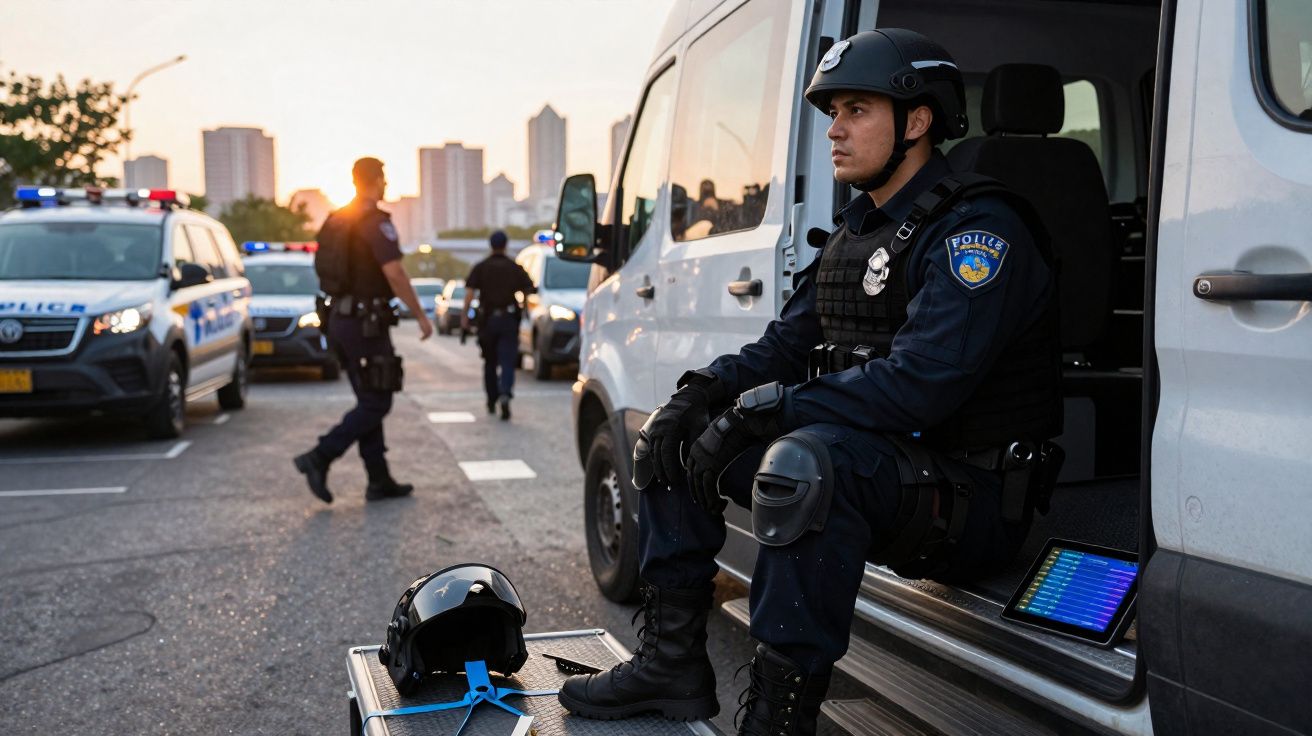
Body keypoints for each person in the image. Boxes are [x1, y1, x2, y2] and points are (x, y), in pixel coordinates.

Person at [558, 29, 1063, 736]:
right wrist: (702, 395)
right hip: (889, 476)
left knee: (804, 463)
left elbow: (921, 385)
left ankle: (779, 722)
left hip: (969, 497)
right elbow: (781, 348)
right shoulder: (857, 232)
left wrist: (767, 414)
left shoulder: (978, 229)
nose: (834, 129)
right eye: (833, 112)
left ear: (917, 121)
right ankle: (670, 664)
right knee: (674, 435)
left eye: (857, 110)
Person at [293, 157, 434, 504]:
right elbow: (394, 273)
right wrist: (420, 315)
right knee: (377, 401)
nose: (386, 185)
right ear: (375, 180)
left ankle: (378, 479)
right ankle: (319, 457)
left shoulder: (337, 219)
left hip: (341, 321)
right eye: (383, 179)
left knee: (369, 396)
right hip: (365, 325)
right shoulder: (374, 222)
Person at [462, 230, 535, 420]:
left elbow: (469, 295)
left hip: (487, 321)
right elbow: (529, 289)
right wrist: (523, 309)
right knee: (508, 361)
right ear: (505, 245)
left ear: (491, 245)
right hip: (509, 320)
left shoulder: (481, 267)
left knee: (490, 362)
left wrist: (465, 319)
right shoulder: (514, 267)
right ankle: (505, 393)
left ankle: (491, 398)